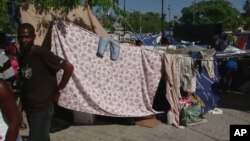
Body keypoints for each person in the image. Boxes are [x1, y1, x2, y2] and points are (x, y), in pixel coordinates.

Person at [17, 23, 74, 141]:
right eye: (21, 37)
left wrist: (59, 90)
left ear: (33, 37)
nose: (24, 40)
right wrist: (19, 111)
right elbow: (24, 86)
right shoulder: (22, 56)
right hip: (30, 109)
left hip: (42, 108)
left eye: (27, 37)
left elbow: (69, 68)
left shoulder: (41, 53)